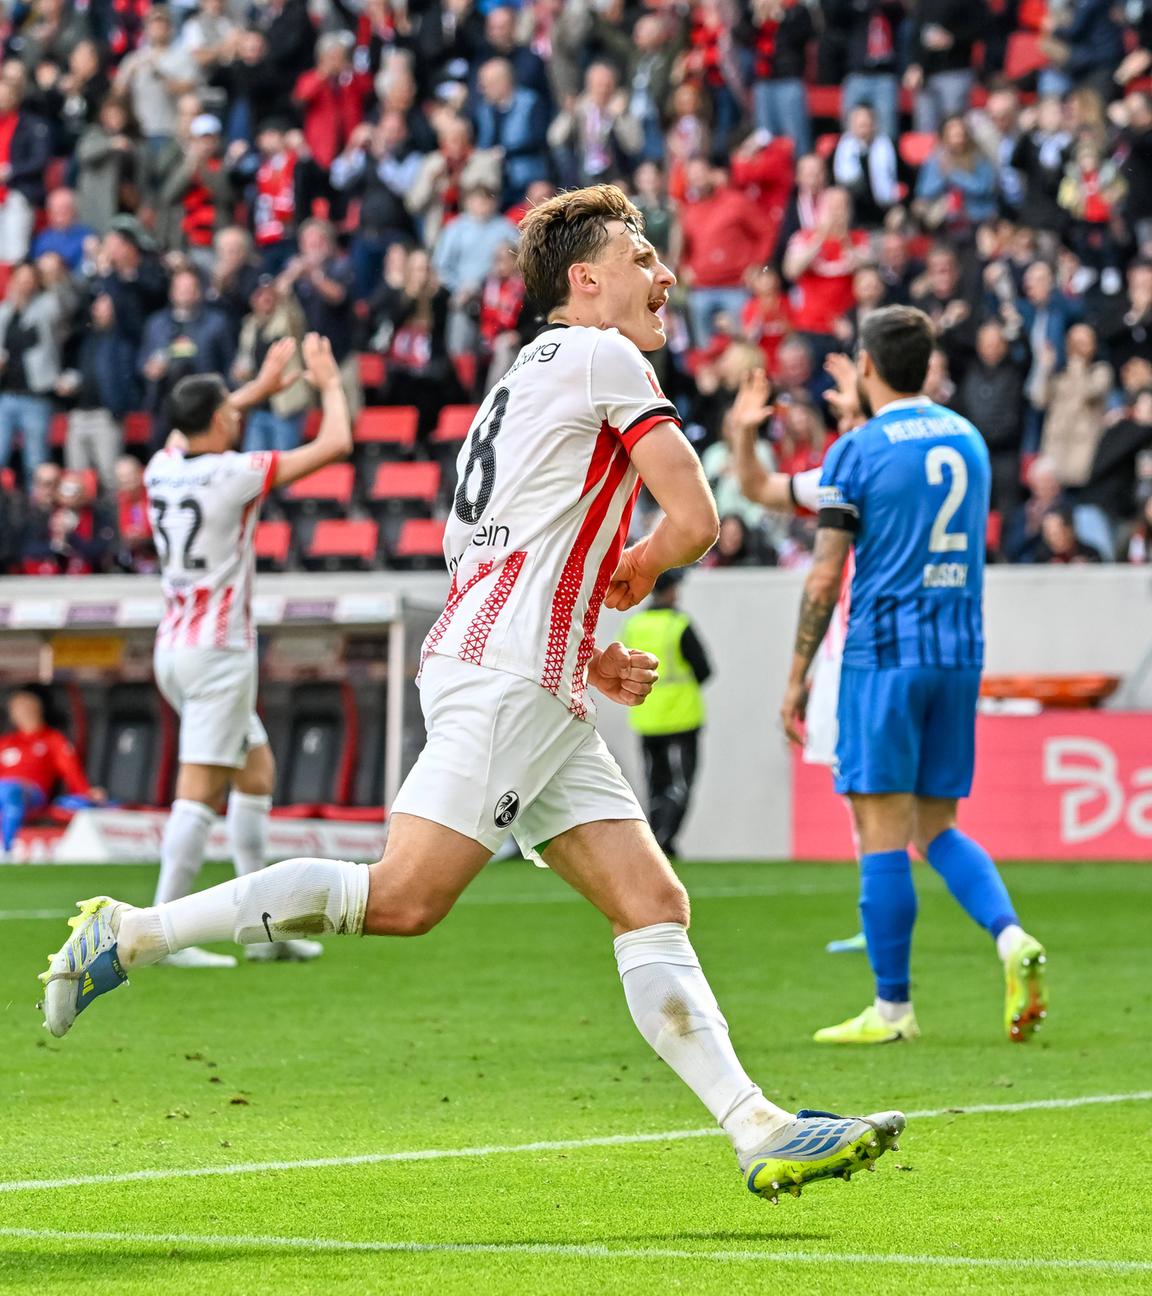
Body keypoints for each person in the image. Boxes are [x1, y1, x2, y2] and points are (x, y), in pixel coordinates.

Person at [42, 184, 905, 1203]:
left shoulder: (513, 385)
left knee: (650, 899)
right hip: (508, 678)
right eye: (643, 259)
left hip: (518, 668)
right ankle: (136, 933)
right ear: (586, 282)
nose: (665, 277)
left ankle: (757, 1126)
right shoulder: (602, 355)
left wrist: (584, 647)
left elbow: (493, 557)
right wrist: (633, 573)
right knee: (403, 896)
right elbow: (699, 517)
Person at [778, 305, 1048, 1044]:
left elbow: (826, 573)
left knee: (881, 828)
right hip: (959, 653)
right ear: (927, 365)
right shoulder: (969, 439)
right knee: (939, 825)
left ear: (866, 367)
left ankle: (892, 1009)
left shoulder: (857, 450)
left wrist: (798, 676)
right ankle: (1009, 936)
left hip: (884, 655)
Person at [127, 333, 350, 970]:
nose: (237, 415)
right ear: (218, 420)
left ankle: (266, 932)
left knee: (255, 776)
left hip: (175, 645)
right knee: (198, 792)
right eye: (230, 410)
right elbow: (335, 445)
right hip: (218, 651)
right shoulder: (234, 473)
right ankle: (157, 936)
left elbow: (194, 423)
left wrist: (257, 389)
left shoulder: (160, 466)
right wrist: (327, 383)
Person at [622, 570, 713, 860]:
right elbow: (704, 669)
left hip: (646, 717)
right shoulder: (679, 624)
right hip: (681, 717)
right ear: (671, 591)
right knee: (681, 782)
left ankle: (658, 839)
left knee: (654, 782)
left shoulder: (634, 625)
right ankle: (665, 837)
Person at [0, 686, 105, 854]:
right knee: (6, 790)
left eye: (22, 706)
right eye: (15, 708)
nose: (18, 712)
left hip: (32, 793)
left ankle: (6, 849)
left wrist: (86, 792)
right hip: (3, 790)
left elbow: (70, 770)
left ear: (36, 708)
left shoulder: (52, 739)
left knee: (12, 791)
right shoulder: (6, 742)